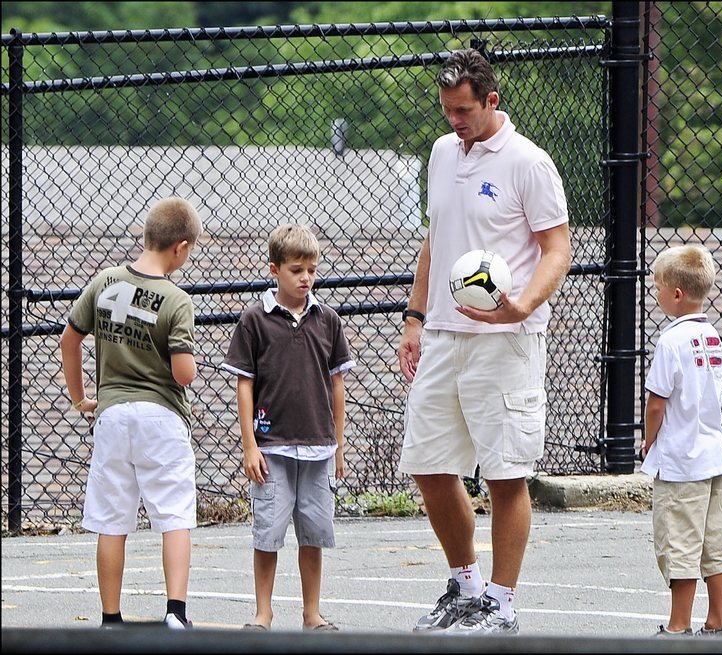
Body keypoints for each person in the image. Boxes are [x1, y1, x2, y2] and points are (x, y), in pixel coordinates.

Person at [396, 48, 572, 635]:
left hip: (506, 338)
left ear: (492, 100)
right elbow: (433, 240)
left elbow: (557, 249)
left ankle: (502, 602)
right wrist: (415, 319)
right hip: (444, 334)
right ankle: (465, 585)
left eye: (464, 110)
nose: (454, 121)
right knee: (426, 464)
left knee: (503, 474)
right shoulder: (443, 153)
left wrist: (523, 304)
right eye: (447, 110)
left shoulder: (529, 163)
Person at [58, 196, 203, 629]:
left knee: (112, 518)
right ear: (179, 247)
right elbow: (183, 374)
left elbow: (69, 340)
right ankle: (175, 612)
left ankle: (110, 617)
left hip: (112, 414)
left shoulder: (105, 281)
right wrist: (189, 360)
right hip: (161, 417)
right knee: (174, 513)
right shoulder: (176, 300)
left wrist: (80, 397)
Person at [221, 223, 355, 632]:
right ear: (274, 269)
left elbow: (337, 384)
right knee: (268, 533)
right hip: (271, 448)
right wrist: (249, 446)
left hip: (318, 447)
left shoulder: (327, 320)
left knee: (313, 534)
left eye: (312, 270)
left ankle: (311, 614)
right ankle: (263, 613)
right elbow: (245, 384)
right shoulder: (254, 321)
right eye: (297, 269)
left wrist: (339, 447)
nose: (306, 278)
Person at [639, 244, 722, 639]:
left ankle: (678, 625)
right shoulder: (713, 338)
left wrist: (649, 441)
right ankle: (717, 621)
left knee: (678, 541)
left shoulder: (671, 342)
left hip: (680, 460)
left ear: (676, 294)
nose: (655, 292)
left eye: (657, 286)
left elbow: (656, 404)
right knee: (715, 542)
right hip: (713, 456)